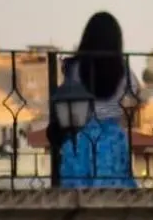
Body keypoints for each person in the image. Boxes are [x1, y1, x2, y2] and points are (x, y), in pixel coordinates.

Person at [52, 11, 139, 188]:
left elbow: (68, 98)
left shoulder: (75, 69)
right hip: (112, 137)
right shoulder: (123, 72)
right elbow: (135, 94)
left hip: (81, 136)